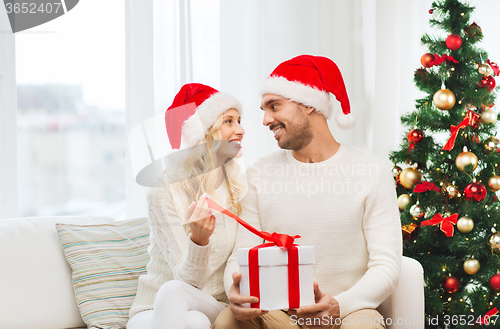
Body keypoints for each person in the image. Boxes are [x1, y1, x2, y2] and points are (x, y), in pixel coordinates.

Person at [214, 55, 402, 329]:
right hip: (277, 313)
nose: (265, 120)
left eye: (274, 106)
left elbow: (387, 266)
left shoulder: (372, 171)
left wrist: (339, 305)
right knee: (229, 319)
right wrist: (238, 291)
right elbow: (241, 253)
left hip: (348, 311)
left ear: (310, 104)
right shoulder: (258, 173)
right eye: (264, 109)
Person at [127, 83, 247, 329]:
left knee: (185, 303)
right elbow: (185, 281)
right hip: (153, 310)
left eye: (239, 121)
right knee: (193, 320)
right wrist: (198, 242)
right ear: (204, 135)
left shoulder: (239, 189)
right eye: (229, 122)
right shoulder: (163, 192)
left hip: (211, 304)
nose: (241, 130)